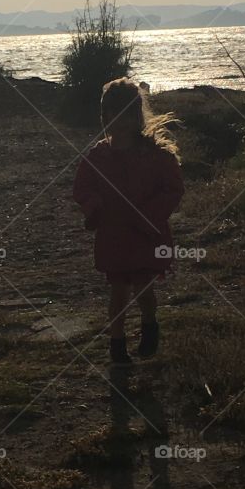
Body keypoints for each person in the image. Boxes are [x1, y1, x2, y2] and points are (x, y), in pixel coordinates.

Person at [72, 78, 184, 367]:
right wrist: (94, 208)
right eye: (113, 115)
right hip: (113, 234)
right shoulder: (98, 156)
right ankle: (117, 341)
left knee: (144, 285)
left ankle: (149, 325)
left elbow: (173, 189)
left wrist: (152, 215)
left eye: (126, 116)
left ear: (136, 117)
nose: (119, 123)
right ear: (105, 117)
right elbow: (82, 188)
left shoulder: (155, 155)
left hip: (146, 233)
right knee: (119, 289)